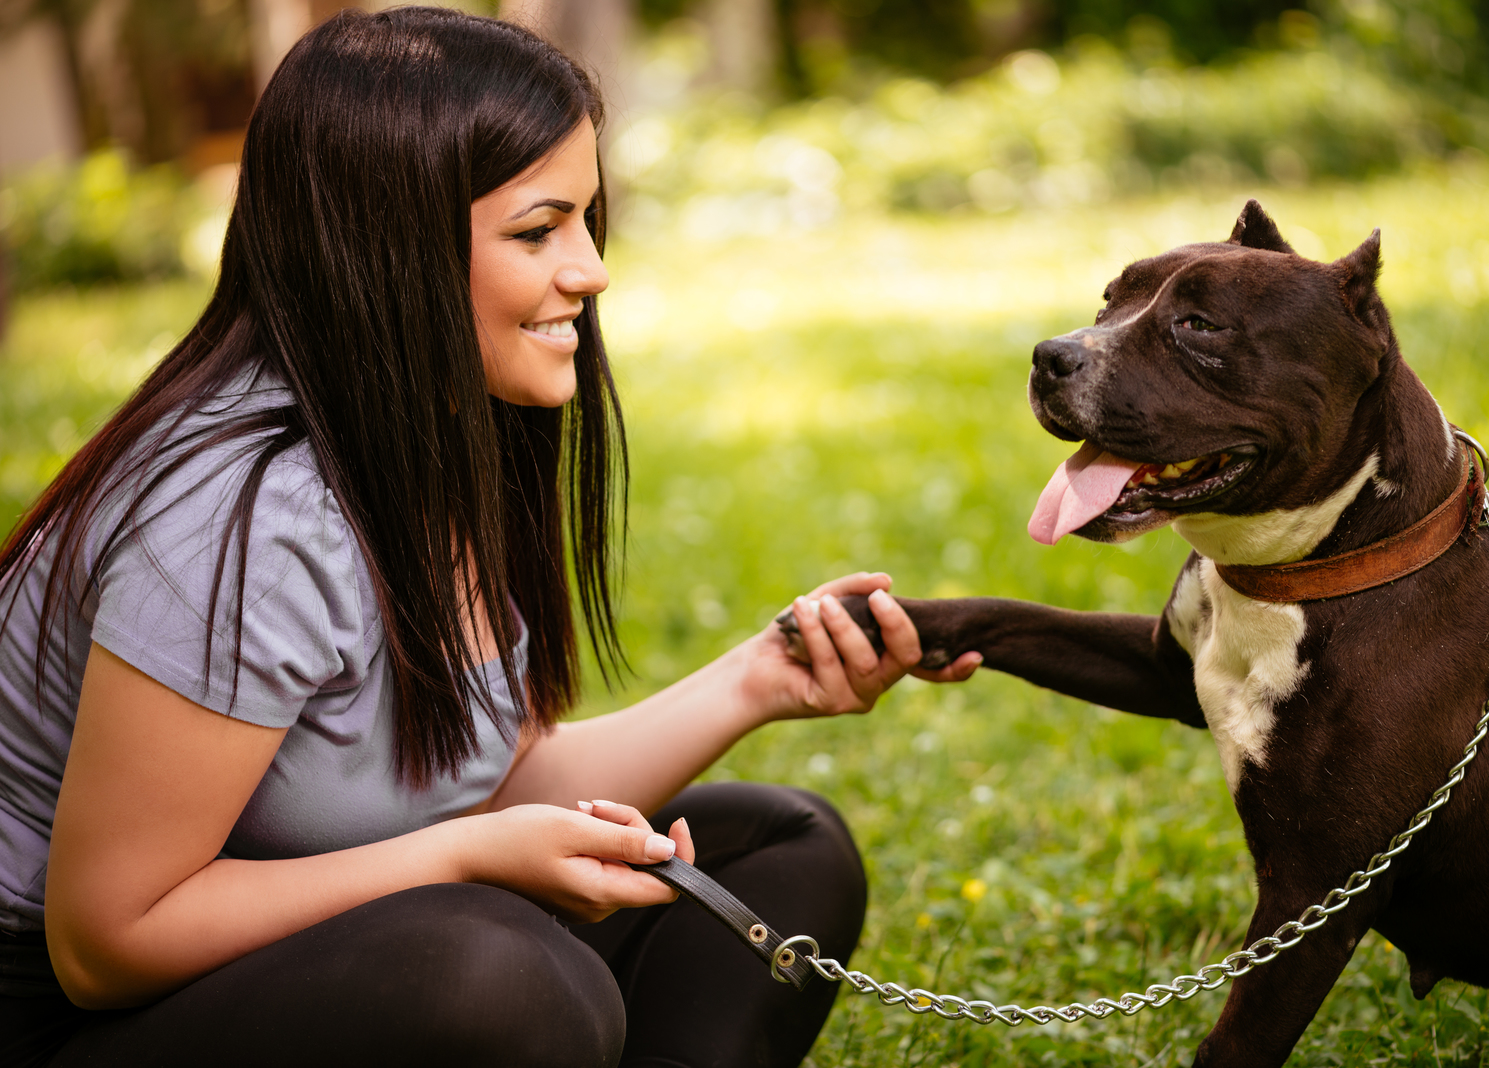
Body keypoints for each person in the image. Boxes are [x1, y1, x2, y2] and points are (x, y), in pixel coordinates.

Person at [0, 9, 980, 1067]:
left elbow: (489, 784)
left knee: (779, 852)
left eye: (588, 220)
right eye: (537, 229)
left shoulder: (435, 426)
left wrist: (760, 680)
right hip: (64, 1017)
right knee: (503, 975)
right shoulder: (235, 514)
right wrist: (467, 861)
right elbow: (108, 941)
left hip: (300, 956)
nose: (591, 270)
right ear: (390, 246)